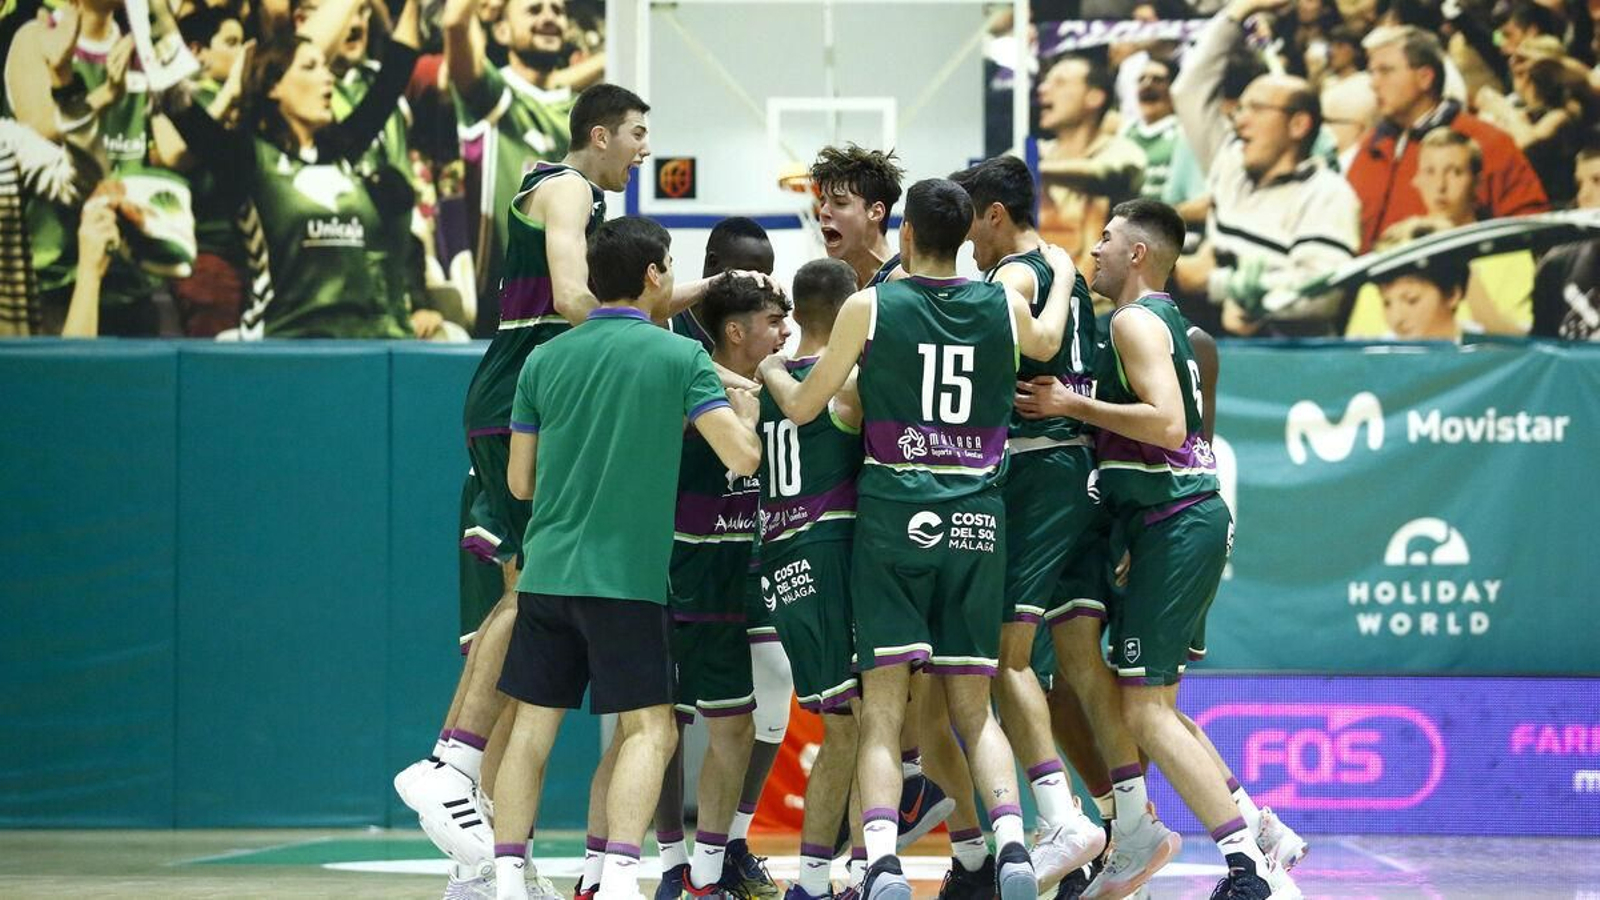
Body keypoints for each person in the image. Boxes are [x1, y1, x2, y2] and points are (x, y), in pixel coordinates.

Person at [759, 177, 1082, 900]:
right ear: (966, 238)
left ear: (904, 235)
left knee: (882, 712)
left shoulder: (871, 305)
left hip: (893, 514)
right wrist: (1060, 274)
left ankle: (880, 862)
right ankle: (1012, 847)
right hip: (976, 514)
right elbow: (1049, 339)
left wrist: (774, 370)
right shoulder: (1001, 301)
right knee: (973, 705)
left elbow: (807, 406)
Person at [397, 82, 649, 880]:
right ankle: (449, 763)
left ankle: (482, 854)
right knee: (535, 587)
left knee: (531, 614)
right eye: (637, 134)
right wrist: (653, 336)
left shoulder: (571, 195)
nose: (644, 150)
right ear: (600, 134)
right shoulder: (567, 189)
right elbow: (575, 298)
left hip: (529, 402)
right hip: (519, 403)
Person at [1017, 198, 1299, 900]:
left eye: (1108, 239)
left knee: (1143, 711)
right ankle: (1260, 829)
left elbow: (1169, 425)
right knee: (1154, 706)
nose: (1096, 249)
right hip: (1175, 519)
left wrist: (1071, 405)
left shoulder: (1134, 321)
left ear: (1138, 254)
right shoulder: (1163, 319)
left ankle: (1247, 865)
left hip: (1175, 519)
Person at [492, 215, 764, 900]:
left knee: (530, 731)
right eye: (669, 265)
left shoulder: (543, 359)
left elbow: (519, 483)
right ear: (652, 274)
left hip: (547, 575)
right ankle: (618, 878)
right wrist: (743, 410)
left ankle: (506, 878)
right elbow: (741, 457)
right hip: (628, 584)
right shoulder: (680, 358)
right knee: (651, 732)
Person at [949, 154, 1106, 895]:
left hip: (1038, 469)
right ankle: (1117, 819)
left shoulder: (1012, 275)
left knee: (1004, 658)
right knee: (1066, 668)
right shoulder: (1057, 266)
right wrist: (1068, 271)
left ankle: (1063, 819)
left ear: (994, 215)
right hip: (1067, 470)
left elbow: (1038, 344)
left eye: (972, 225)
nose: (967, 242)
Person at [163, 0, 420, 338]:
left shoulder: (342, 150)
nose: (327, 77)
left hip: (359, 344)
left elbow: (396, 71)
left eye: (325, 67)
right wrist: (147, 25)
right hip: (282, 343)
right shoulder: (247, 159)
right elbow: (177, 104)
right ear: (273, 86)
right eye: (310, 67)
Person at [661, 216, 787, 900]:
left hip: (751, 560)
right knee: (659, 724)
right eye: (751, 274)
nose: (766, 284)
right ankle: (668, 861)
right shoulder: (674, 348)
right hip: (678, 563)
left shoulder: (776, 364)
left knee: (768, 697)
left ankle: (725, 848)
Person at [758, 257, 866, 900]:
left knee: (846, 722)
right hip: (827, 553)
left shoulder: (764, 382)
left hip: (778, 559)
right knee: (859, 723)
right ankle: (834, 875)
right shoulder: (847, 382)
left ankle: (827, 876)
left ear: (796, 313)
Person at [1170, 0, 1360, 337]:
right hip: (1209, 335)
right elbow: (1189, 90)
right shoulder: (1230, 163)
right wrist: (1239, 11)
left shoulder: (1327, 193)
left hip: (1280, 352)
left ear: (1298, 125)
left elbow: (1323, 294)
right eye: (1240, 109)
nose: (1239, 121)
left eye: (1255, 109)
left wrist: (1215, 283)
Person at [443, 0, 605, 324]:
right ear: (501, 30)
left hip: (575, 309)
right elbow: (454, 24)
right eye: (534, 10)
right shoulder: (494, 96)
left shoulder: (586, 113)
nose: (549, 17)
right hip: (502, 311)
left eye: (557, 11)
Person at [1346, 25, 1547, 251]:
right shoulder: (1370, 147)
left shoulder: (1487, 142)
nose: (1373, 83)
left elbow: (1528, 230)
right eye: (1372, 72)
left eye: (1385, 71)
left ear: (1425, 77)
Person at [1345, 129, 1533, 337]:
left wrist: (1464, 270)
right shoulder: (1394, 249)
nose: (1440, 185)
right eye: (1430, 172)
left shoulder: (1508, 254)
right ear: (1417, 180)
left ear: (1477, 182)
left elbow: (1518, 342)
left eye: (1455, 172)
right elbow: (1362, 341)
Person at [1035, 52, 1147, 279]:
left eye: (1060, 82)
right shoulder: (1038, 151)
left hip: (1099, 298)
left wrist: (1031, 170)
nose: (1042, 89)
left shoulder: (1122, 151)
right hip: (1034, 293)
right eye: (1045, 81)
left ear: (1094, 97)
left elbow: (1104, 174)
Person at [1531, 135, 1600, 340]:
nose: (1583, 195)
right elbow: (1542, 348)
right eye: (1579, 184)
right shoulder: (1556, 264)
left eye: (1597, 181)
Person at [811, 144, 906, 288]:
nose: (823, 212)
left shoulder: (903, 285)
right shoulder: (834, 286)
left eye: (840, 203)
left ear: (876, 212)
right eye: (823, 202)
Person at [1118, 57, 1188, 203]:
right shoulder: (1125, 132)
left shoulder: (1184, 132)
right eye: (1141, 79)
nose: (1147, 85)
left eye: (1157, 80)